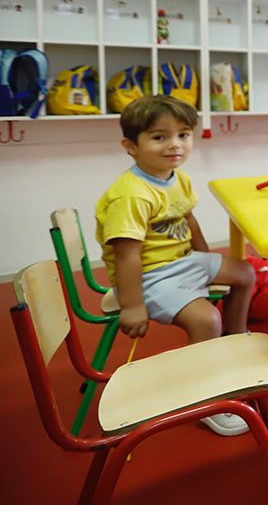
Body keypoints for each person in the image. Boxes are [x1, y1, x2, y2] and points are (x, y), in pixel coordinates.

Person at [95, 95, 256, 436]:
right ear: (130, 146)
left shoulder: (176, 177)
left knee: (244, 273)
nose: (175, 145)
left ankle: (234, 339)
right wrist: (133, 304)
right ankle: (205, 399)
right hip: (150, 275)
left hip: (182, 261)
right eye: (159, 137)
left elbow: (188, 218)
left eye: (183, 135)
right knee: (205, 318)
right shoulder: (132, 195)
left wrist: (204, 259)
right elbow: (126, 255)